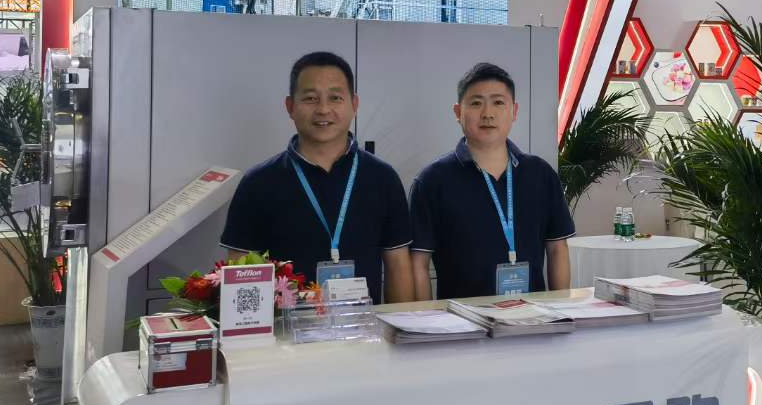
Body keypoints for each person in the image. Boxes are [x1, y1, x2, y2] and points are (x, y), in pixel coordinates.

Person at [219, 51, 414, 304]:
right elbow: (240, 272)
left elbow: (398, 266)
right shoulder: (258, 183)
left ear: (354, 104)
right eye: (311, 98)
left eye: (335, 98)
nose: (323, 109)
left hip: (364, 326)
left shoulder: (383, 178)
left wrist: (398, 324)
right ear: (290, 106)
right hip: (286, 327)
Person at [409, 63, 574, 300]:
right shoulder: (432, 181)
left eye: (498, 102)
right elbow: (418, 263)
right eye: (476, 103)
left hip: (533, 316)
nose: (487, 113)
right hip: (462, 319)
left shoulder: (540, 174)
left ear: (514, 111)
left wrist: (561, 308)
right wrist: (426, 319)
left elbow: (557, 249)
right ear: (458, 112)